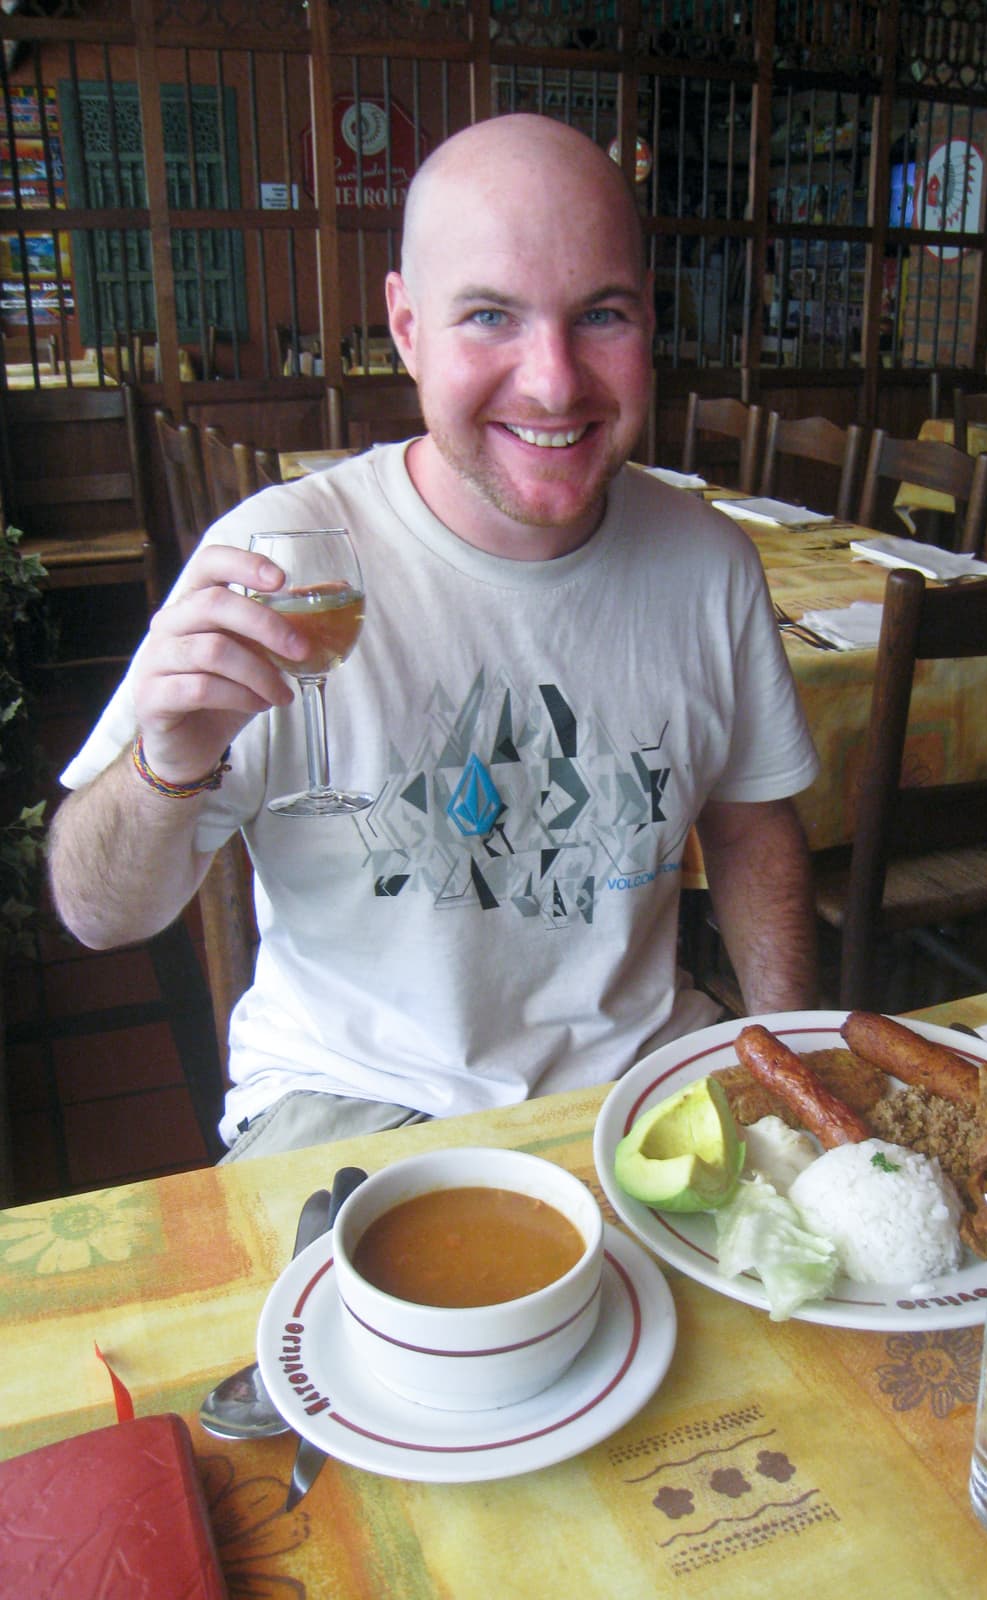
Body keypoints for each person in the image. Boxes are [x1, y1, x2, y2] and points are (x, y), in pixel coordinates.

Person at [47, 113, 820, 1159]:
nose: (553, 381)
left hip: (635, 1089)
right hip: (355, 1101)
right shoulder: (285, 559)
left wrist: (789, 1059)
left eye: (601, 314)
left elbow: (750, 826)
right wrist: (165, 763)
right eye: (491, 315)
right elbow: (96, 913)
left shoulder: (709, 561)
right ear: (407, 328)